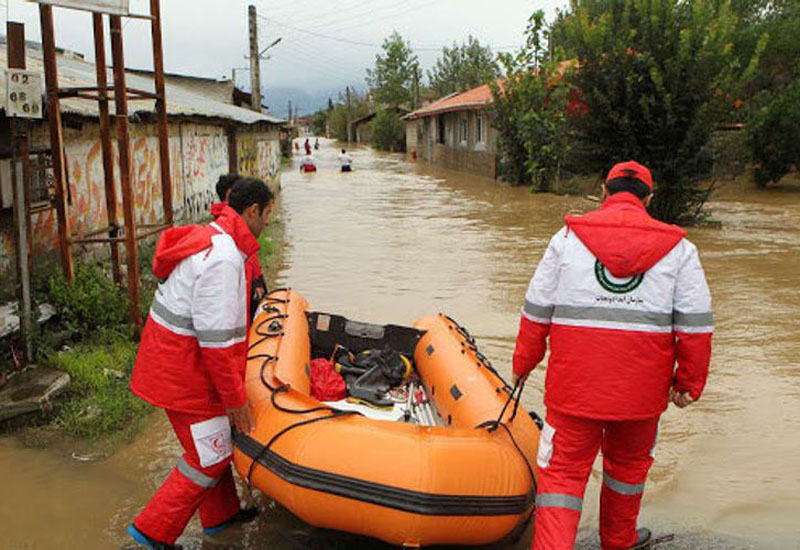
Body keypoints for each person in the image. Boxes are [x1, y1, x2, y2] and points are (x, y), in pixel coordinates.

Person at [513, 161, 713, 550]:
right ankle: (619, 541)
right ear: (648, 199)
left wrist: (524, 363)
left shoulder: (567, 239)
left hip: (574, 389)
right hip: (641, 395)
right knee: (627, 472)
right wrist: (689, 383)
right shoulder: (680, 250)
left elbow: (536, 310)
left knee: (562, 478)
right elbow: (696, 326)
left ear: (603, 192)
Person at [127, 179, 275, 550]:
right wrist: (234, 398)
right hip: (180, 373)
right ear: (253, 211)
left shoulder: (218, 240)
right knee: (206, 458)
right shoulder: (224, 258)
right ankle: (151, 534)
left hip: (177, 364)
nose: (270, 222)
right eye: (268, 213)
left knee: (215, 445)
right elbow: (217, 339)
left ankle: (221, 518)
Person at [213, 174, 268, 321]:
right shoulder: (226, 251)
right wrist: (257, 281)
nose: (267, 222)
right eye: (267, 213)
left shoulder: (223, 226)